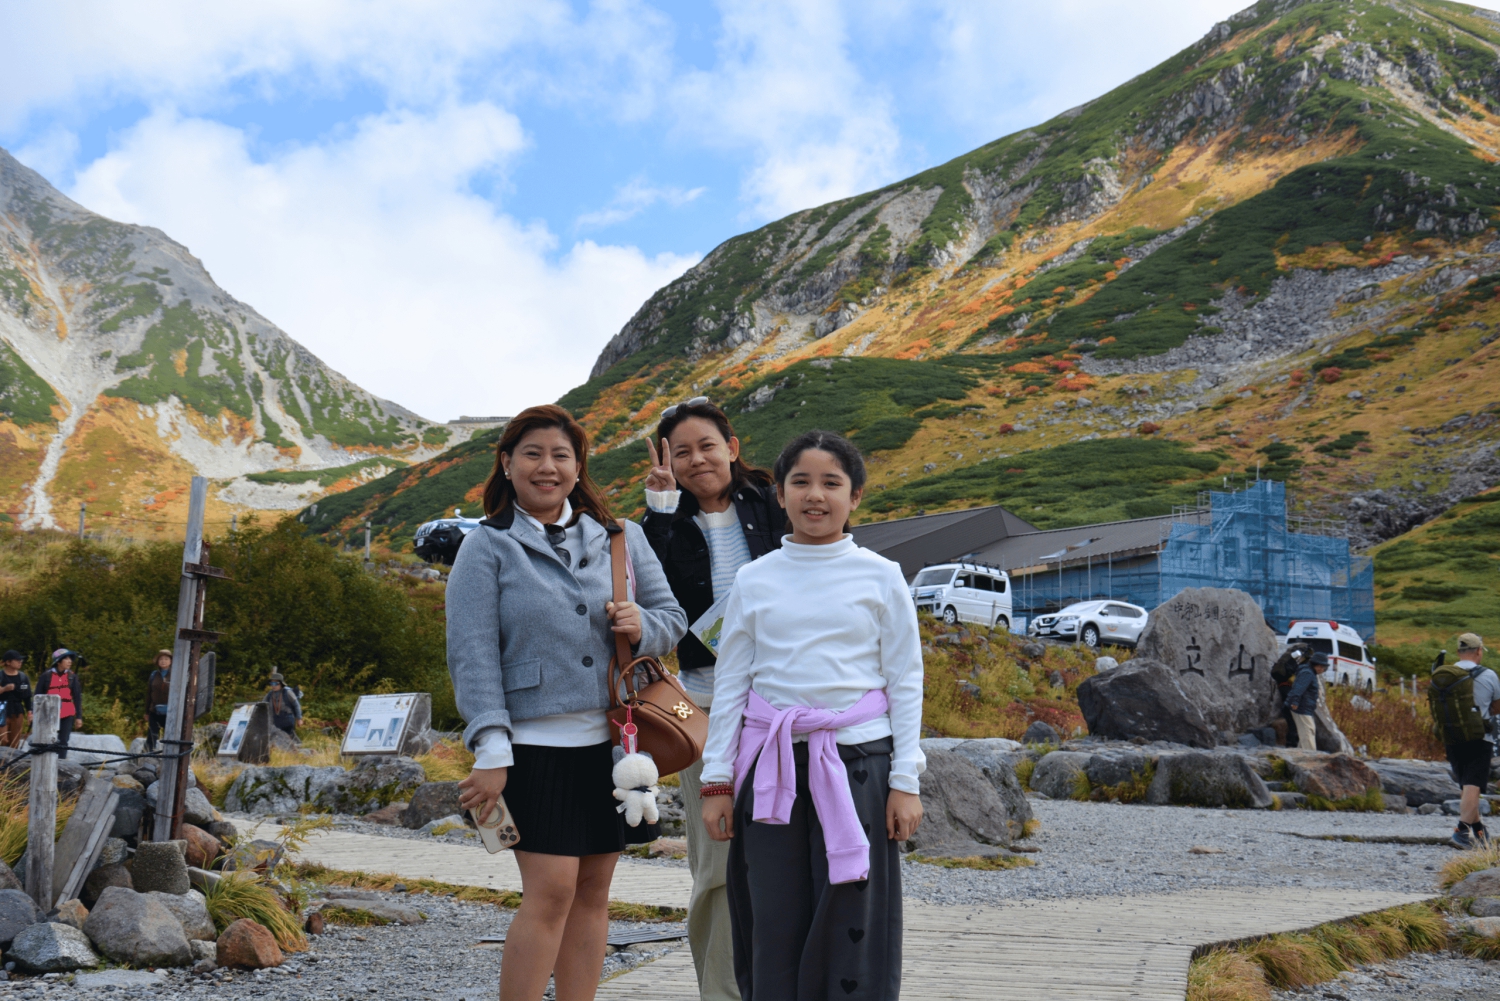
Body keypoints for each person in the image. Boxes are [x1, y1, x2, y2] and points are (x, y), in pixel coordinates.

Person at [447, 404, 687, 1001]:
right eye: (532, 454)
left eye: (561, 456)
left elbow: (673, 618)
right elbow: (473, 656)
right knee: (550, 891)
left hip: (614, 748)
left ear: (579, 469)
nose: (547, 467)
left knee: (593, 894)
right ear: (507, 463)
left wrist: (642, 625)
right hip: (530, 748)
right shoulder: (486, 548)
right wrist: (491, 747)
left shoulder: (621, 537)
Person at [700, 430, 925, 1001]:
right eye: (800, 481)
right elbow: (731, 686)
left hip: (859, 764)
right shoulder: (754, 579)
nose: (815, 495)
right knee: (774, 914)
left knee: (853, 914)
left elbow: (905, 680)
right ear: (778, 494)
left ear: (856, 498)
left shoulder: (882, 574)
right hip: (772, 769)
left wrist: (905, 782)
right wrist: (717, 781)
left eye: (832, 483)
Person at [640, 397, 785, 1001]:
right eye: (681, 452)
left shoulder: (777, 502)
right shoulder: (660, 526)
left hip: (784, 714)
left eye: (707, 445)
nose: (696, 459)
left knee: (787, 861)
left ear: (731, 444)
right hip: (703, 716)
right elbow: (648, 599)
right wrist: (660, 509)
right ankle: (722, 992)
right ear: (667, 463)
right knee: (717, 867)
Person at [1432, 634, 1500, 849]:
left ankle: (1479, 831)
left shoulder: (1444, 674)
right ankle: (1461, 831)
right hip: (1480, 737)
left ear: (1459, 652)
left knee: (1467, 785)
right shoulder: (1489, 675)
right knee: (1473, 785)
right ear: (1479, 651)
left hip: (1451, 736)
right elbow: (1497, 708)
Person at [35, 650, 83, 759]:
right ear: (58, 661)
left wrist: (79, 717)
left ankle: (61, 764)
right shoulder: (46, 676)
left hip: (67, 712)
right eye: (66, 658)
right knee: (47, 739)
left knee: (63, 740)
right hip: (49, 712)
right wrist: (34, 714)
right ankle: (46, 761)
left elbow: (77, 697)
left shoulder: (72, 677)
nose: (69, 661)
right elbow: (37, 696)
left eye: (70, 659)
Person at [1270, 642, 1312, 747]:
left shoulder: (1293, 654)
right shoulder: (1304, 656)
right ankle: (1292, 744)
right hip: (1289, 687)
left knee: (1290, 716)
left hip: (1282, 684)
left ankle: (1291, 743)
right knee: (1294, 717)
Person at [1284, 650, 1328, 750]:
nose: (1322, 669)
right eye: (1321, 666)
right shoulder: (1307, 673)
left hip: (1304, 706)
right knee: (1308, 731)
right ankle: (1310, 758)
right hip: (1301, 707)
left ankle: (1301, 755)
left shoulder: (1309, 672)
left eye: (1324, 667)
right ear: (1315, 665)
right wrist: (1295, 701)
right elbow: (1298, 688)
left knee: (1308, 731)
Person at [0, 650, 32, 749]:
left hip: (18, 709)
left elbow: (27, 697)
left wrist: (30, 712)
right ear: (8, 662)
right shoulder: (1, 676)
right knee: (3, 739)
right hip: (1, 708)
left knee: (15, 741)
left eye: (21, 660)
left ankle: (11, 763)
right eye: (17, 660)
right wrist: (4, 689)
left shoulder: (23, 677)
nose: (20, 662)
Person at [144, 649, 173, 752]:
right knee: (152, 734)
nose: (163, 661)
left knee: (170, 736)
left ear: (171, 661)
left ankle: (169, 755)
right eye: (161, 659)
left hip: (171, 711)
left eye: (166, 659)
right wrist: (147, 711)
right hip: (155, 710)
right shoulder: (154, 675)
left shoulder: (176, 675)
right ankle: (146, 755)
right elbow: (149, 694)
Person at [264, 672, 303, 739]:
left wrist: (299, 719)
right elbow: (262, 705)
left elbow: (296, 705)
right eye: (271, 683)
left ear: (281, 683)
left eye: (276, 683)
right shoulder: (269, 694)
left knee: (288, 738)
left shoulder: (288, 692)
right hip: (275, 720)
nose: (273, 685)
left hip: (287, 719)